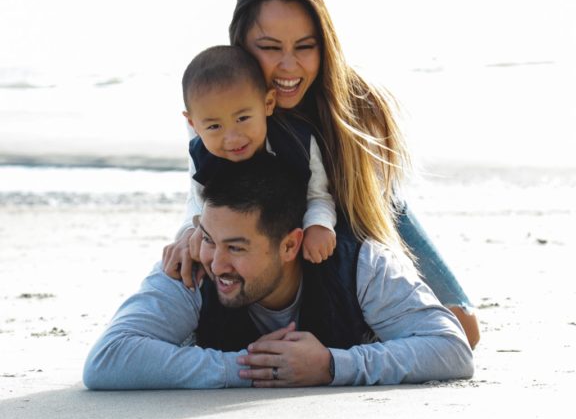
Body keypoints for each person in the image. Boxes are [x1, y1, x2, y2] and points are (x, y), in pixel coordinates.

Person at [163, 0, 480, 349]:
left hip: (355, 212)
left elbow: (372, 204)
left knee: (463, 327)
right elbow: (201, 189)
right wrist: (188, 232)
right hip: (274, 227)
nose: (289, 65)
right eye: (269, 47)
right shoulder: (217, 104)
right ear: (241, 47)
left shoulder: (353, 106)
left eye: (304, 46)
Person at [83, 155, 474, 390]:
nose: (217, 263)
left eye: (237, 248)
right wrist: (242, 369)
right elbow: (107, 359)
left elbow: (451, 349)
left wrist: (332, 366)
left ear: (290, 245)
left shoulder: (361, 265)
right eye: (209, 238)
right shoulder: (194, 264)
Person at [179, 44, 337, 272]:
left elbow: (318, 195)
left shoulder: (298, 142)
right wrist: (194, 231)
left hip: (293, 240)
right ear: (193, 123)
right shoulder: (201, 155)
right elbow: (198, 203)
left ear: (268, 103)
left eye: (243, 118)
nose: (232, 138)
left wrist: (318, 224)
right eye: (214, 126)